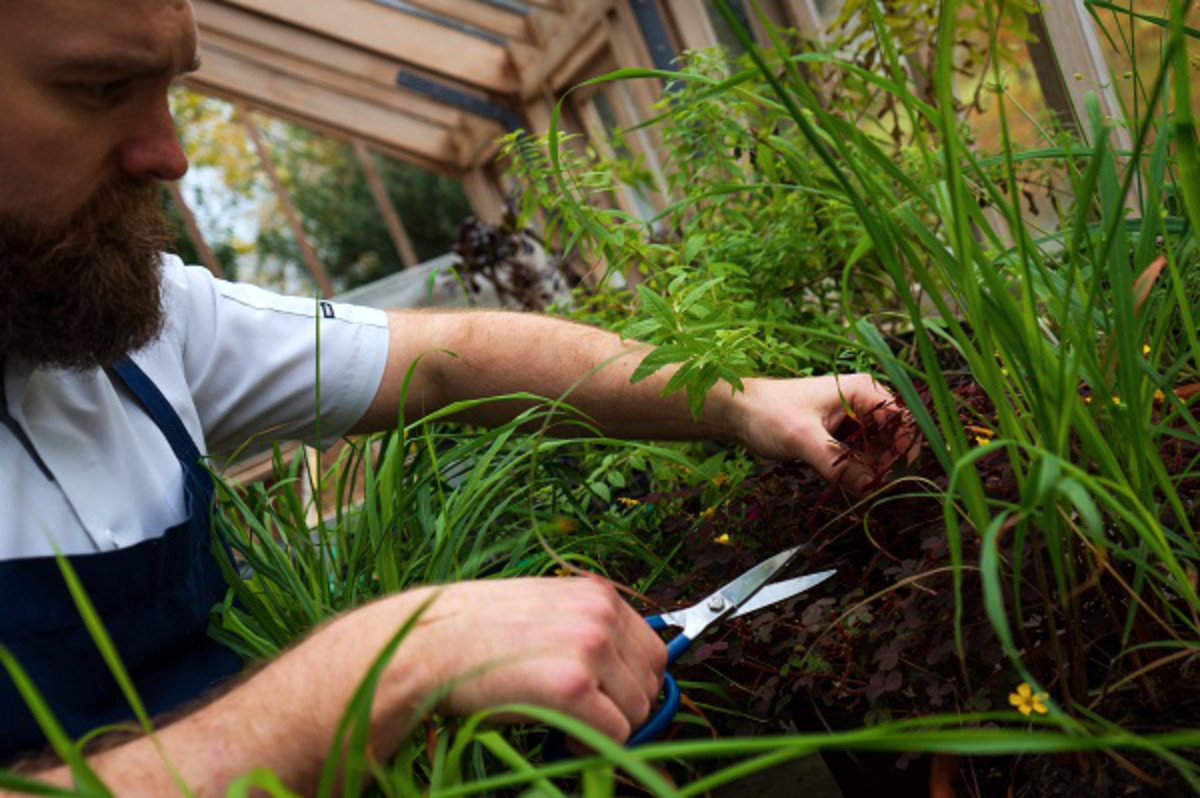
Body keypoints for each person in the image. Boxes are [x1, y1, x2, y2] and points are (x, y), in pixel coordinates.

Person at [0, 0, 903, 792]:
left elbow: (446, 359)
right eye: (97, 87)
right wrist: (396, 662)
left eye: (172, 87)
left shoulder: (138, 322)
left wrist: (741, 401)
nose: (171, 154)